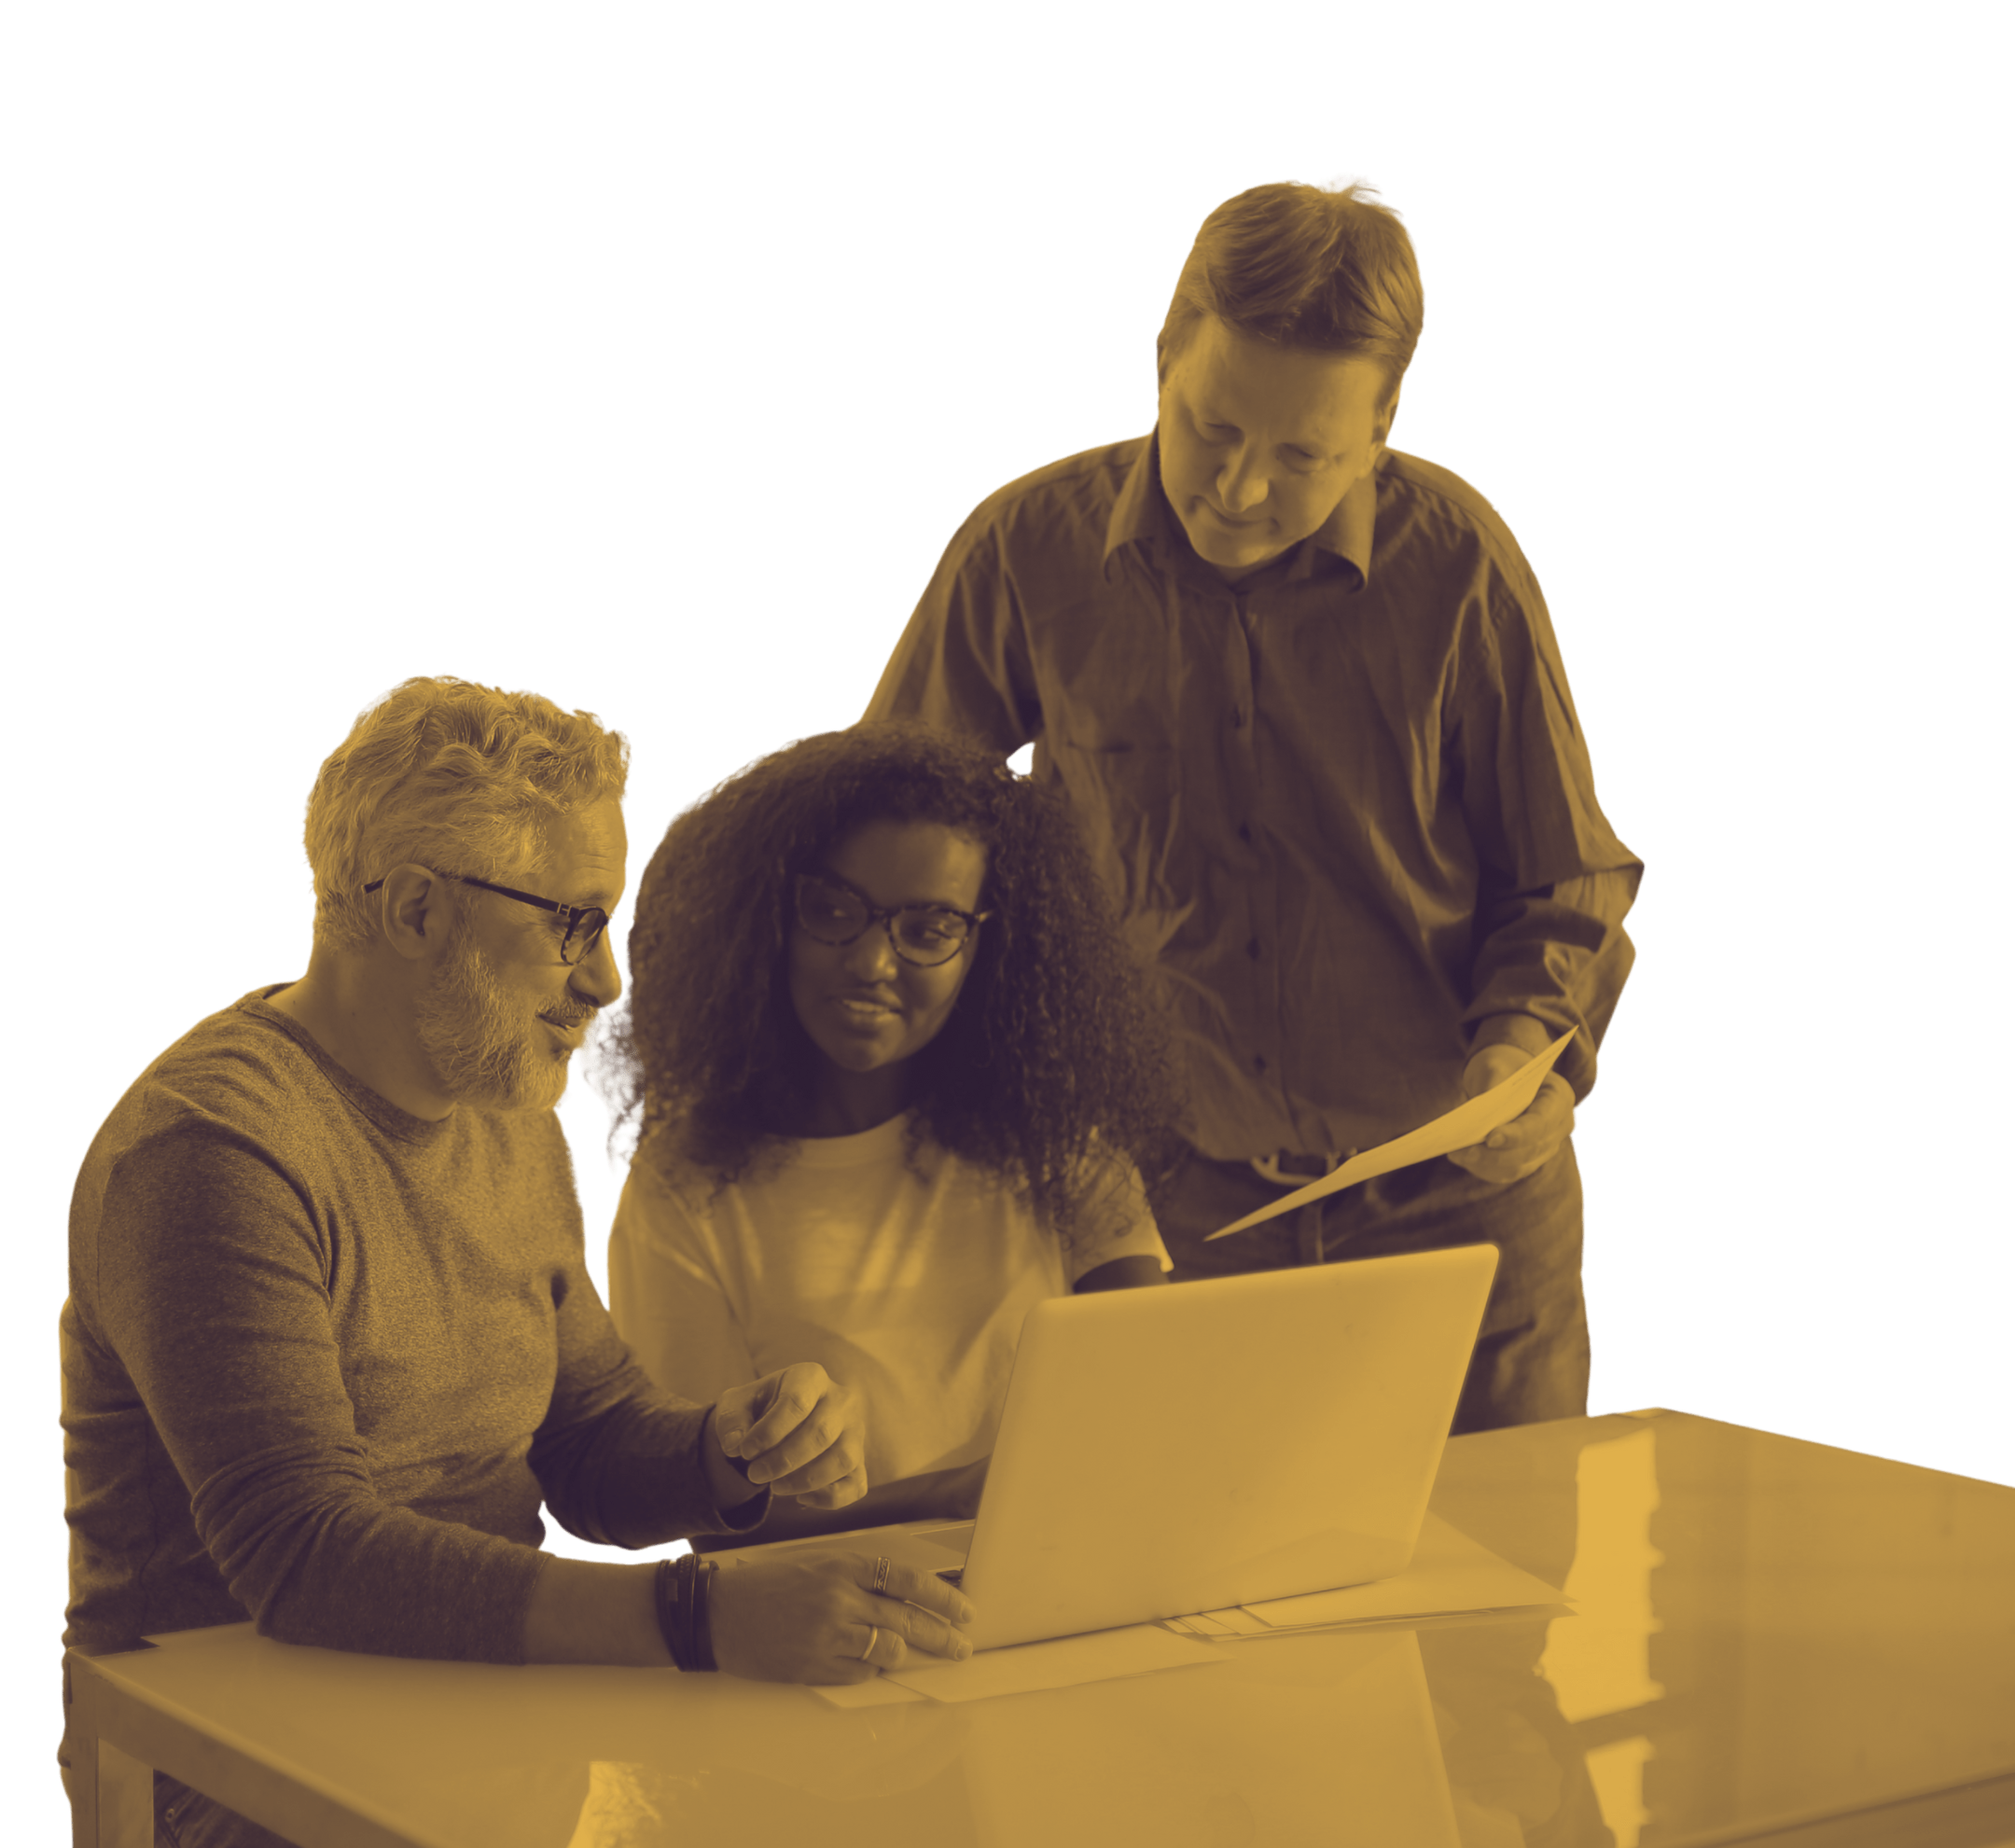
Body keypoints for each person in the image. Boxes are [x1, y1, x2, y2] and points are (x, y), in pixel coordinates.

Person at [58, 676, 976, 1848]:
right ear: (417, 910)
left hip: (474, 1719)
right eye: (571, 925)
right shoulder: (213, 1150)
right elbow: (301, 1556)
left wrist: (732, 1449)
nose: (607, 984)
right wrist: (696, 1615)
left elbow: (584, 1438)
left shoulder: (504, 1106)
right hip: (223, 1772)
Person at [858, 173, 1646, 1435]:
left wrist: (1526, 1050)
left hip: (1461, 1211)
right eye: (1210, 429)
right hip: (1163, 1212)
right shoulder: (1026, 548)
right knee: (1186, 1558)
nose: (1236, 488)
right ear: (1163, 359)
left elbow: (1569, 877)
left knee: (1506, 1559)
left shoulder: (1462, 560)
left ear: (1382, 426)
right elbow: (880, 830)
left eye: (1302, 457)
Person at [586, 719, 1187, 1554]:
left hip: (1067, 1584)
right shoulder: (681, 1189)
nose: (872, 962)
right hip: (833, 1618)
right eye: (835, 911)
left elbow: (1152, 1398)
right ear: (770, 915)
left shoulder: (1060, 1146)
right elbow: (710, 1520)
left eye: (929, 928)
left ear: (991, 946)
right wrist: (962, 1496)